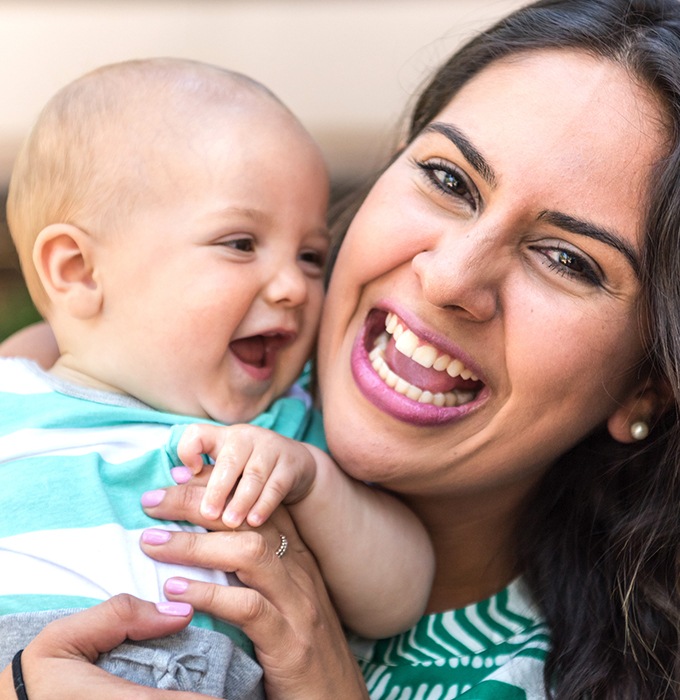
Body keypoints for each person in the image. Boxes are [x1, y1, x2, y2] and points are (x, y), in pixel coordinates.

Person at [4, 0, 680, 697]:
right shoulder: (91, 372)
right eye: (450, 180)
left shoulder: (524, 678)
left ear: (648, 385)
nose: (449, 278)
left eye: (568, 260)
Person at [0, 58, 434, 697]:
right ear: (79, 270)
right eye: (239, 243)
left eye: (311, 257)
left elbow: (397, 595)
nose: (292, 287)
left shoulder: (275, 432)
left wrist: (310, 481)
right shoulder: (13, 404)